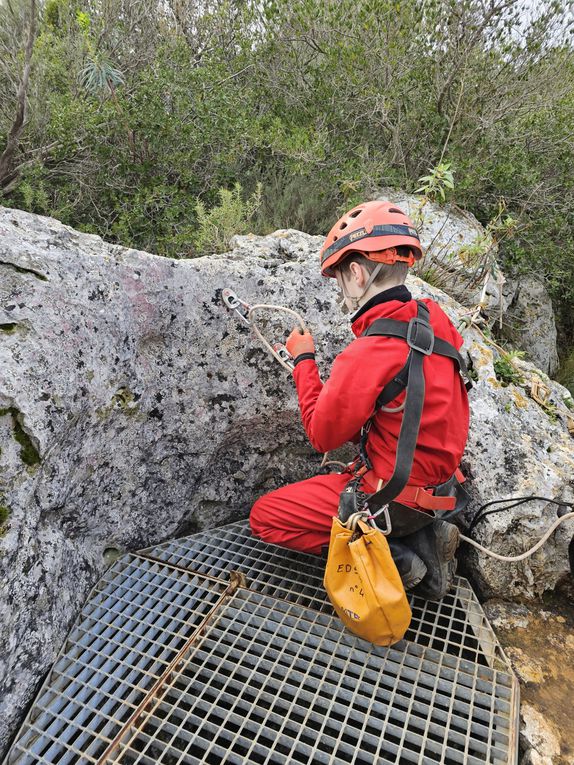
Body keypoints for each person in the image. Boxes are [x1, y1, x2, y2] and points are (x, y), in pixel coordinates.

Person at [250, 200, 470, 600]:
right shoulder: (436, 319)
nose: (342, 293)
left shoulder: (370, 352)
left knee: (266, 517)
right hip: (443, 489)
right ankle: (426, 535)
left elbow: (321, 434)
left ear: (356, 273)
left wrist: (303, 360)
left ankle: (393, 553)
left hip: (391, 496)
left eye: (340, 279)